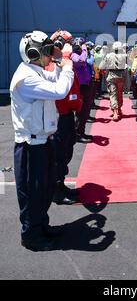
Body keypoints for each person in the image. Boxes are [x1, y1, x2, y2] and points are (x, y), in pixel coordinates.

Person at [10, 31, 74, 251]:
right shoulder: (26, 77)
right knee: (32, 193)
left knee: (44, 190)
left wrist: (56, 59)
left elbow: (53, 79)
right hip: (30, 146)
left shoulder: (34, 71)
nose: (48, 55)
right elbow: (60, 89)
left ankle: (40, 226)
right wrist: (66, 65)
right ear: (33, 52)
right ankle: (31, 236)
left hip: (42, 142)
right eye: (45, 51)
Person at [49, 30, 82, 205]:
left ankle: (61, 184)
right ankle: (56, 191)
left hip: (68, 113)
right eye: (68, 42)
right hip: (58, 116)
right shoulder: (51, 63)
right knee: (59, 154)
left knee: (67, 151)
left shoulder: (64, 62)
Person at [71, 38, 93, 143]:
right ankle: (77, 134)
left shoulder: (81, 54)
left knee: (85, 111)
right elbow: (82, 60)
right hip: (80, 87)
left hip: (86, 85)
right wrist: (84, 48)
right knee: (81, 111)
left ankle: (81, 131)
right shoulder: (74, 55)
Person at [99, 41, 127, 121]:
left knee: (113, 94)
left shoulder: (108, 55)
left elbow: (101, 66)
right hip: (121, 75)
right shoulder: (124, 55)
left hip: (111, 75)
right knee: (119, 93)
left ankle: (115, 112)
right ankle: (120, 109)